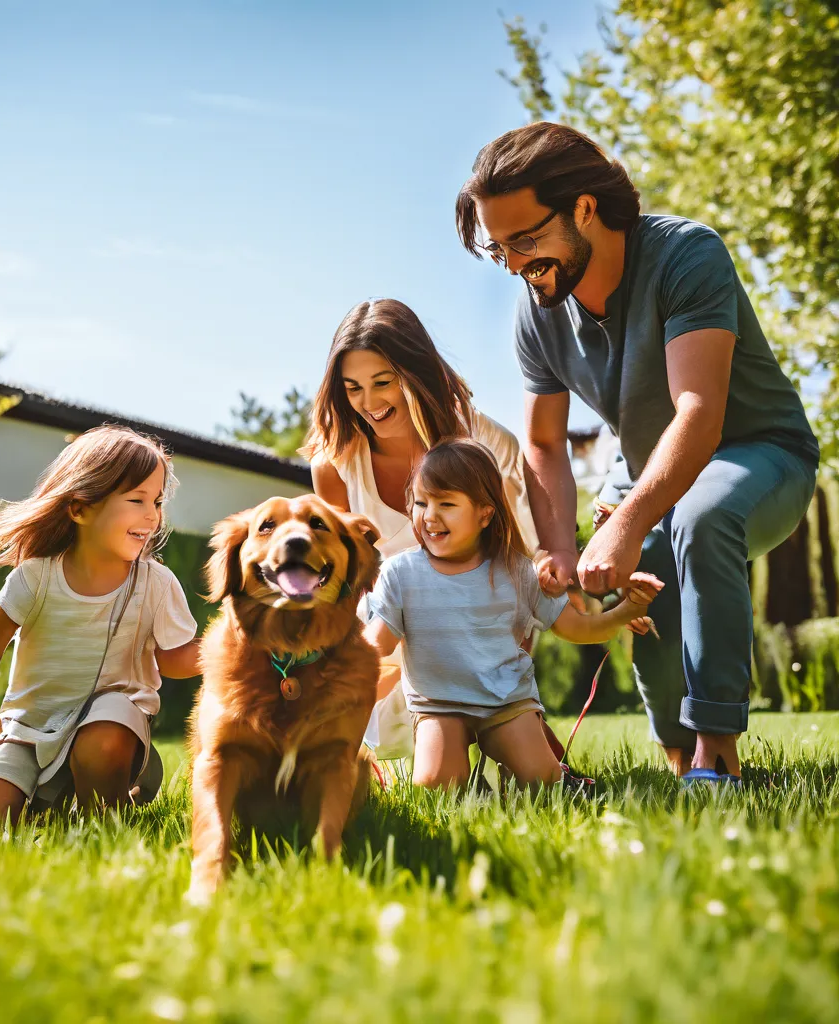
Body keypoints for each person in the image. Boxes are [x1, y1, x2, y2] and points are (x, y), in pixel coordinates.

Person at [456, 122, 820, 785]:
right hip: (648, 467)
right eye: (498, 248)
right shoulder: (537, 310)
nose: (513, 263)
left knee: (697, 516)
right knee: (645, 562)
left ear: (585, 209)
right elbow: (543, 441)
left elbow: (700, 412)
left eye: (526, 239)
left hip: (761, 452)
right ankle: (681, 759)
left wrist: (625, 520)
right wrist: (560, 547)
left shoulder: (686, 255)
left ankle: (718, 761)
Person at [0, 425, 201, 829]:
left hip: (111, 724)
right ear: (80, 509)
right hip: (28, 726)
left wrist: (233, 643)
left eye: (156, 501)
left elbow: (173, 660)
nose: (152, 515)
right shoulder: (35, 577)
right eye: (137, 499)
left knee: (105, 731)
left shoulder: (156, 583)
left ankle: (102, 818)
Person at [303, 297, 540, 758]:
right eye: (352, 388)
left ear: (415, 371)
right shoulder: (334, 465)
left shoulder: (483, 443)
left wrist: (509, 672)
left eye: (383, 382)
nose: (368, 404)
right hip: (384, 630)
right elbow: (342, 584)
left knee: (513, 761)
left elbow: (516, 563)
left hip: (478, 627)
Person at [362, 439, 661, 790]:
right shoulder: (400, 572)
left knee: (540, 783)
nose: (429, 516)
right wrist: (323, 652)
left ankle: (549, 773)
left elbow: (576, 628)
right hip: (437, 705)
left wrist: (625, 611)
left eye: (446, 503)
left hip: (506, 702)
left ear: (485, 513)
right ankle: (476, 785)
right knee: (434, 786)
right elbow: (377, 643)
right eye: (421, 502)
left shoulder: (517, 571)